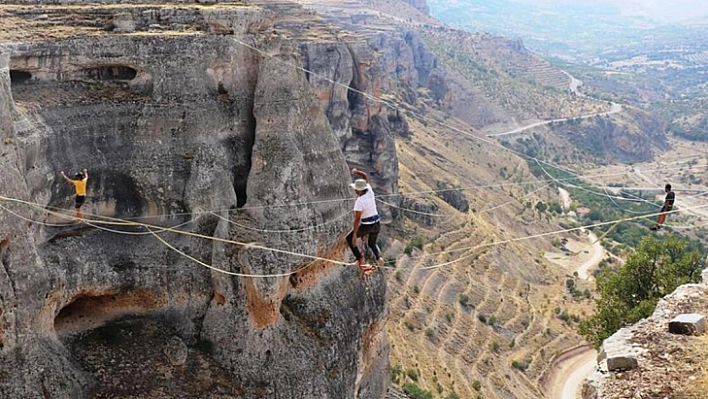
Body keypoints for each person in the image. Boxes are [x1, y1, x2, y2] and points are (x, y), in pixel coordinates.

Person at [346, 168, 385, 276]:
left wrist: (354, 235)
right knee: (372, 243)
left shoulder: (359, 202)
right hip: (377, 223)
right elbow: (365, 176)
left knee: (349, 239)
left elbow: (357, 219)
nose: (355, 191)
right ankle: (379, 257)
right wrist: (357, 172)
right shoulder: (370, 191)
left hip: (367, 225)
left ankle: (360, 259)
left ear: (359, 190)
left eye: (356, 189)